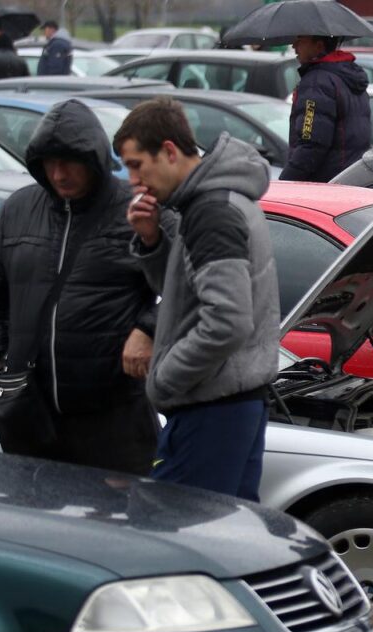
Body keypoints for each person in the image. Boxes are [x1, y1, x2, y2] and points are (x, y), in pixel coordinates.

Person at [0, 99, 159, 476]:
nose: (59, 173)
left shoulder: (137, 211)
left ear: (94, 159)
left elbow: (182, 286)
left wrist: (147, 329)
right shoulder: (19, 209)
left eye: (70, 161)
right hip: (30, 416)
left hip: (113, 419)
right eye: (49, 163)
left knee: (116, 527)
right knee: (38, 529)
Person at [115, 97, 280, 501]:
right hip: (232, 401)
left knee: (176, 530)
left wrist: (166, 378)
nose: (133, 180)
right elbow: (182, 298)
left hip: (213, 405)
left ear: (169, 151)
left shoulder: (211, 211)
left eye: (137, 165)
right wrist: (153, 240)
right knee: (227, 535)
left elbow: (227, 321)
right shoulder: (210, 203)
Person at [279, 35, 370, 183]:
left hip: (324, 185)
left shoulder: (317, 82)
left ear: (319, 46)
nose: (294, 45)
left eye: (301, 40)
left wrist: (285, 182)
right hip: (351, 179)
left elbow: (312, 143)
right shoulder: (347, 77)